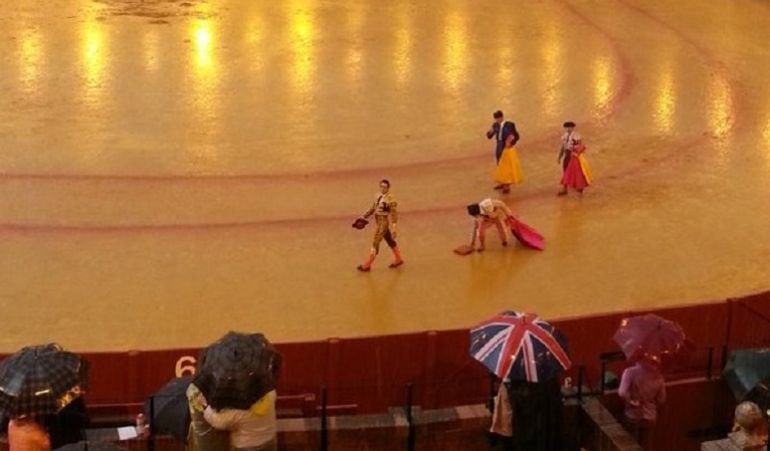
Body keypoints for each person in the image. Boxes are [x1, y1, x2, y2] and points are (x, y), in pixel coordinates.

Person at [198, 391, 278, 451]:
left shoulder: (239, 408)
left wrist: (206, 407)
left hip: (245, 447)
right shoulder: (270, 392)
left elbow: (218, 422)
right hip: (269, 441)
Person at [618, 357, 666, 449]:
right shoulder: (658, 376)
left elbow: (622, 393)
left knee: (629, 446)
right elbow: (662, 399)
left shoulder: (630, 372)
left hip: (633, 414)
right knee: (646, 446)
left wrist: (631, 401)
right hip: (650, 415)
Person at [355, 179, 403, 272]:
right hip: (378, 221)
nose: (382, 188)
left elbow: (394, 214)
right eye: (381, 186)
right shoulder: (378, 195)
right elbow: (373, 208)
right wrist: (364, 216)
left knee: (376, 242)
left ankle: (367, 265)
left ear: (388, 188)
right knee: (390, 241)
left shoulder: (391, 199)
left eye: (384, 187)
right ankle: (399, 259)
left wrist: (394, 228)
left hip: (383, 223)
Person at [187, 382, 230, 451]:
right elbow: (217, 420)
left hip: (200, 436)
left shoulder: (194, 387)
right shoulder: (198, 392)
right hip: (210, 437)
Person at [486, 110, 520, 190]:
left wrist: (510, 143)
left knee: (506, 165)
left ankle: (507, 186)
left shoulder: (509, 125)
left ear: (502, 117)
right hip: (499, 145)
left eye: (498, 118)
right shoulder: (495, 125)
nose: (497, 120)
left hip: (506, 146)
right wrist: (489, 132)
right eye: (496, 118)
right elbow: (489, 136)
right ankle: (502, 182)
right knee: (499, 164)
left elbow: (515, 136)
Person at [557, 122, 592, 196]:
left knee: (577, 172)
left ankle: (580, 188)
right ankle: (565, 189)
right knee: (565, 171)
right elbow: (563, 147)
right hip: (567, 155)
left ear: (573, 128)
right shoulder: (565, 136)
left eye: (569, 127)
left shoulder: (576, 136)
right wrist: (560, 157)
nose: (568, 129)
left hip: (574, 156)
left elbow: (581, 147)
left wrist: (577, 154)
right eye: (567, 127)